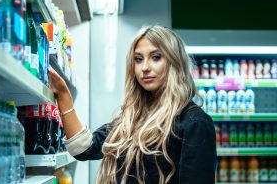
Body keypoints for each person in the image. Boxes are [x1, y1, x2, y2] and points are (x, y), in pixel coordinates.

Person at [48, 25, 216, 184]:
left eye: (156, 57)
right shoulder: (132, 118)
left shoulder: (194, 123)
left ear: (175, 62)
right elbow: (83, 149)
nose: (145, 67)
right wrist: (63, 96)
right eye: (138, 59)